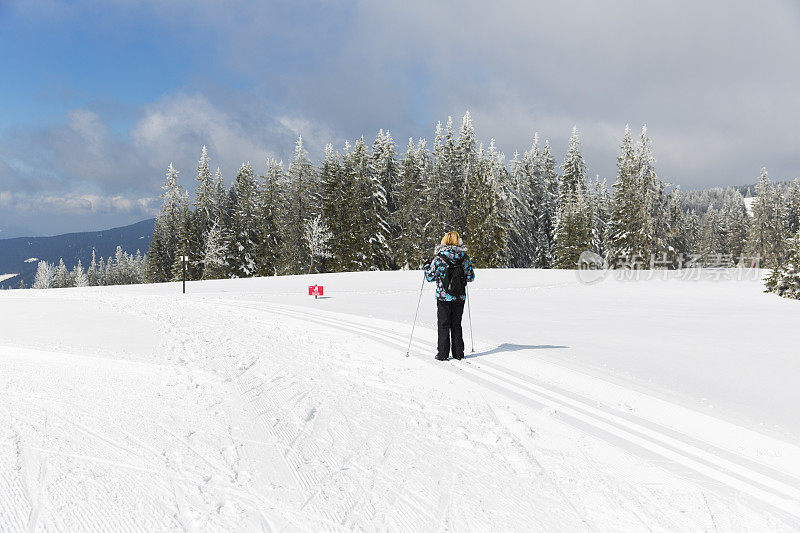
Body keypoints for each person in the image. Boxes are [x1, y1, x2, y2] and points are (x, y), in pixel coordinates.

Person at [424, 231, 475, 360]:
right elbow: (470, 277)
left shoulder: (439, 257)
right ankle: (458, 353)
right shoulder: (464, 257)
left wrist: (426, 265)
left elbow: (430, 277)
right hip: (459, 297)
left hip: (443, 297)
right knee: (456, 325)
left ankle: (442, 354)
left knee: (443, 325)